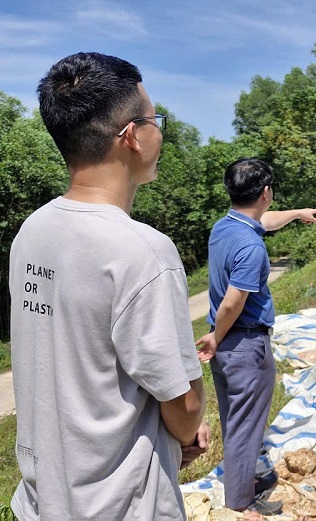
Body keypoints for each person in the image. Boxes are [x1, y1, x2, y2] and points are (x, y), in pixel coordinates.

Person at [9, 52, 207, 520]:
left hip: (40, 501)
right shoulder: (144, 251)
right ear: (133, 136)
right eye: (154, 118)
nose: (158, 129)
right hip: (120, 505)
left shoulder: (31, 231)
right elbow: (182, 400)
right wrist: (186, 433)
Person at [195, 158, 316, 515]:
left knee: (238, 420)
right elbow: (233, 303)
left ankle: (248, 478)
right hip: (244, 343)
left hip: (229, 348)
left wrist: (297, 213)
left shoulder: (226, 227)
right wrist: (216, 336)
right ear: (265, 192)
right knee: (244, 428)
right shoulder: (252, 248)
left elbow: (263, 220)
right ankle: (241, 503)